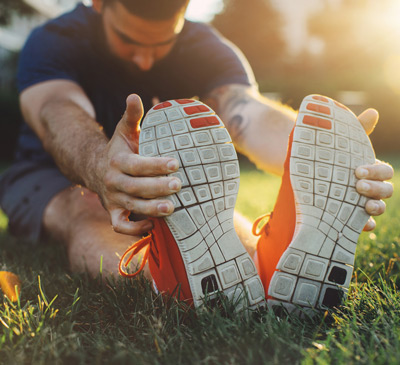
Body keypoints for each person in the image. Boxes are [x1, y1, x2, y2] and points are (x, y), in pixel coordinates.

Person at [0, 0, 393, 310]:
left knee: (212, 225)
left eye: (161, 43)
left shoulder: (206, 46)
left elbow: (247, 113)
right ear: (100, 3)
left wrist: (318, 151)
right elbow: (55, 111)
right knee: (90, 209)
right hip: (49, 174)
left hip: (170, 177)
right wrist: (101, 166)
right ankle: (166, 282)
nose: (145, 60)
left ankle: (269, 269)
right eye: (130, 41)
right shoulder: (55, 38)